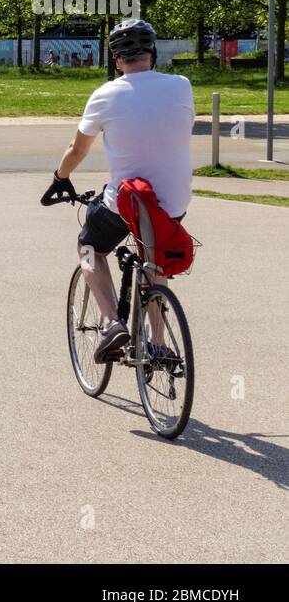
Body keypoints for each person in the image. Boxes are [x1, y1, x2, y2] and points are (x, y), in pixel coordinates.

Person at [44, 19, 193, 362]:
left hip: (126, 201)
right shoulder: (181, 86)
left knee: (88, 246)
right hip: (173, 200)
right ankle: (158, 342)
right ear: (153, 54)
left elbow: (77, 149)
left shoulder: (105, 94)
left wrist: (60, 176)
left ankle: (112, 323)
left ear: (115, 61)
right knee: (152, 262)